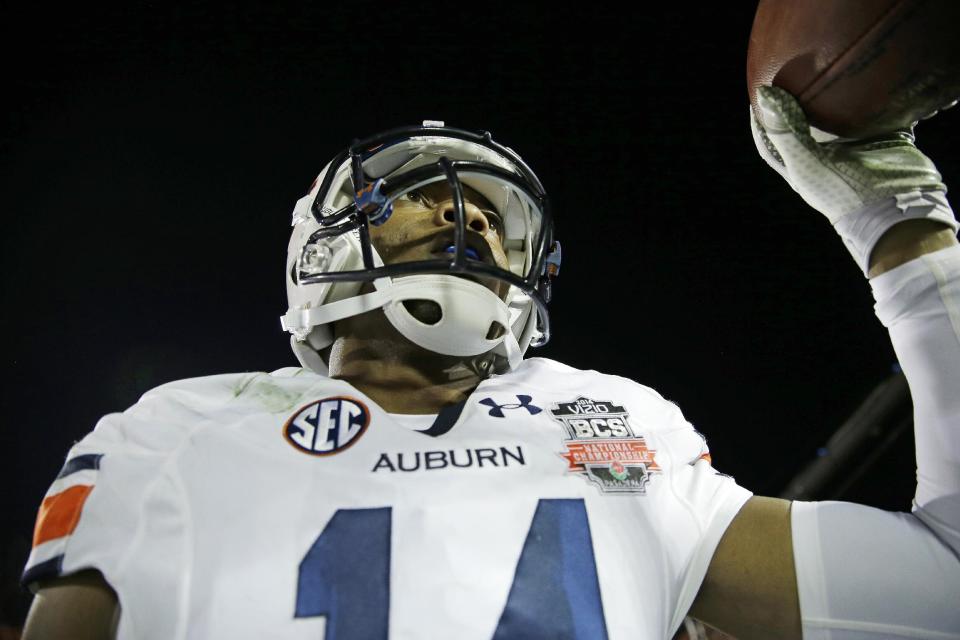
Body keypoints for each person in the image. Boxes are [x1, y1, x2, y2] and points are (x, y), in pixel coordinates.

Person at [19, 88, 960, 639]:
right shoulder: (176, 429)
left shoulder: (616, 424)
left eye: (492, 220)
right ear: (323, 247)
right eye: (417, 195)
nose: (467, 214)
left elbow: (946, 584)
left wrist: (900, 229)